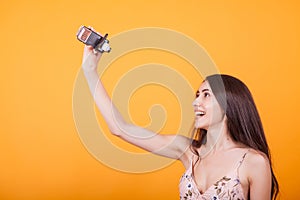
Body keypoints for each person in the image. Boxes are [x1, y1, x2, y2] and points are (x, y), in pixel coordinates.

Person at [81, 45, 279, 200]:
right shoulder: (188, 151)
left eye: (206, 95)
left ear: (229, 105)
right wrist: (90, 71)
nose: (195, 102)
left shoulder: (254, 162)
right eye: (196, 95)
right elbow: (120, 128)